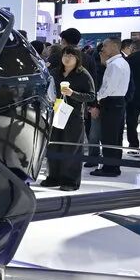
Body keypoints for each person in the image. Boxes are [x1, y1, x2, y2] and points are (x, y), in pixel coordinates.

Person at [42, 47, 96, 191]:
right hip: (56, 113)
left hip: (74, 116)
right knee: (54, 145)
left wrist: (73, 93)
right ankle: (53, 177)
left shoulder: (83, 74)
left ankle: (71, 181)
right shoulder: (55, 72)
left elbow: (91, 96)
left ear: (77, 58)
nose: (67, 58)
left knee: (72, 148)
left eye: (71, 55)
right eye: (65, 55)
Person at [89, 38, 131, 177]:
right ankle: (114, 166)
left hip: (110, 102)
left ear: (114, 46)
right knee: (115, 137)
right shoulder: (122, 62)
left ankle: (109, 168)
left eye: (105, 45)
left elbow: (108, 87)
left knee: (109, 137)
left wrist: (97, 99)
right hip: (118, 102)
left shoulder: (114, 65)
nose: (103, 48)